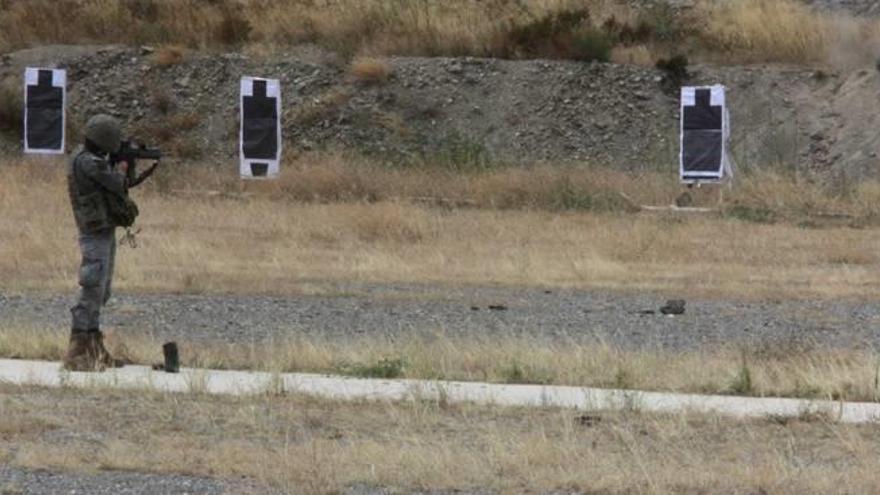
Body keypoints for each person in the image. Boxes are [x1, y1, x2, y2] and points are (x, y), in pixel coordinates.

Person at [63, 114, 130, 371]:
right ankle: (78, 351)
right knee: (92, 288)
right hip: (93, 231)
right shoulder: (88, 162)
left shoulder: (87, 158)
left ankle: (92, 345)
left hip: (101, 229)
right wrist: (122, 168)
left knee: (101, 289)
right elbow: (115, 183)